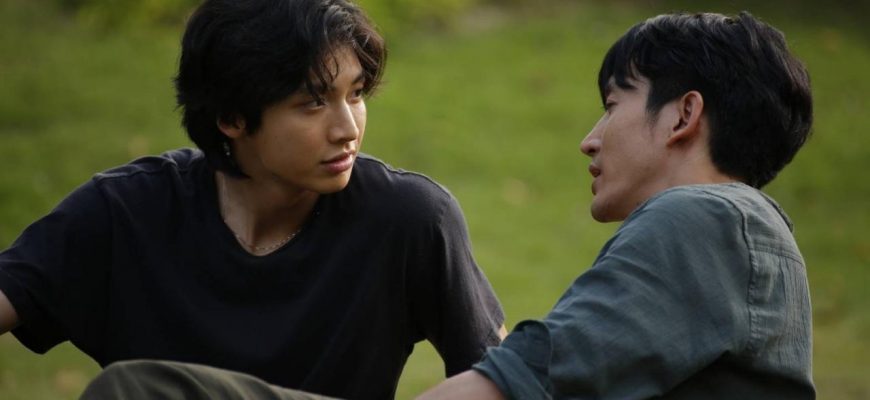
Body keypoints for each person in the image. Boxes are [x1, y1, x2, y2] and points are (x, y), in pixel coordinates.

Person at [0, 0, 505, 399]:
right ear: (231, 117)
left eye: (356, 94)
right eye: (313, 103)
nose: (348, 129)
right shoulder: (126, 211)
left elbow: (502, 378)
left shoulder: (409, 218)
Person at [418, 11, 814, 399]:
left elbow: (525, 383)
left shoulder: (704, 219)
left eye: (611, 106)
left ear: (684, 115)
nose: (589, 141)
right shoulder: (750, 234)